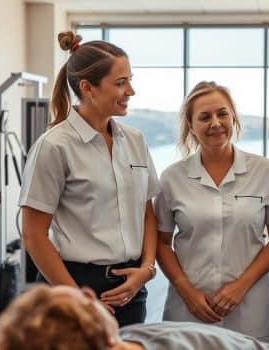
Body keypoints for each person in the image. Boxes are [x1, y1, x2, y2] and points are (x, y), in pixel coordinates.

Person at [18, 31, 160, 327]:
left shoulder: (135, 140)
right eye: (121, 83)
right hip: (72, 286)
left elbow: (146, 213)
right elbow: (33, 234)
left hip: (131, 288)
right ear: (88, 88)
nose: (130, 91)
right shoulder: (55, 146)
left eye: (130, 80)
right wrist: (78, 297)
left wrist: (146, 269)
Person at [154, 81, 269, 344]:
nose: (215, 123)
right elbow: (161, 242)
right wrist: (186, 291)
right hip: (189, 311)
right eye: (204, 117)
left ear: (234, 117)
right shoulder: (172, 177)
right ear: (191, 126)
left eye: (222, 114)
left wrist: (240, 287)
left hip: (251, 309)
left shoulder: (265, 170)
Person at [0, 284, 269, 350]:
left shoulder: (135, 337)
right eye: (85, 303)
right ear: (106, 337)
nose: (88, 293)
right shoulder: (184, 342)